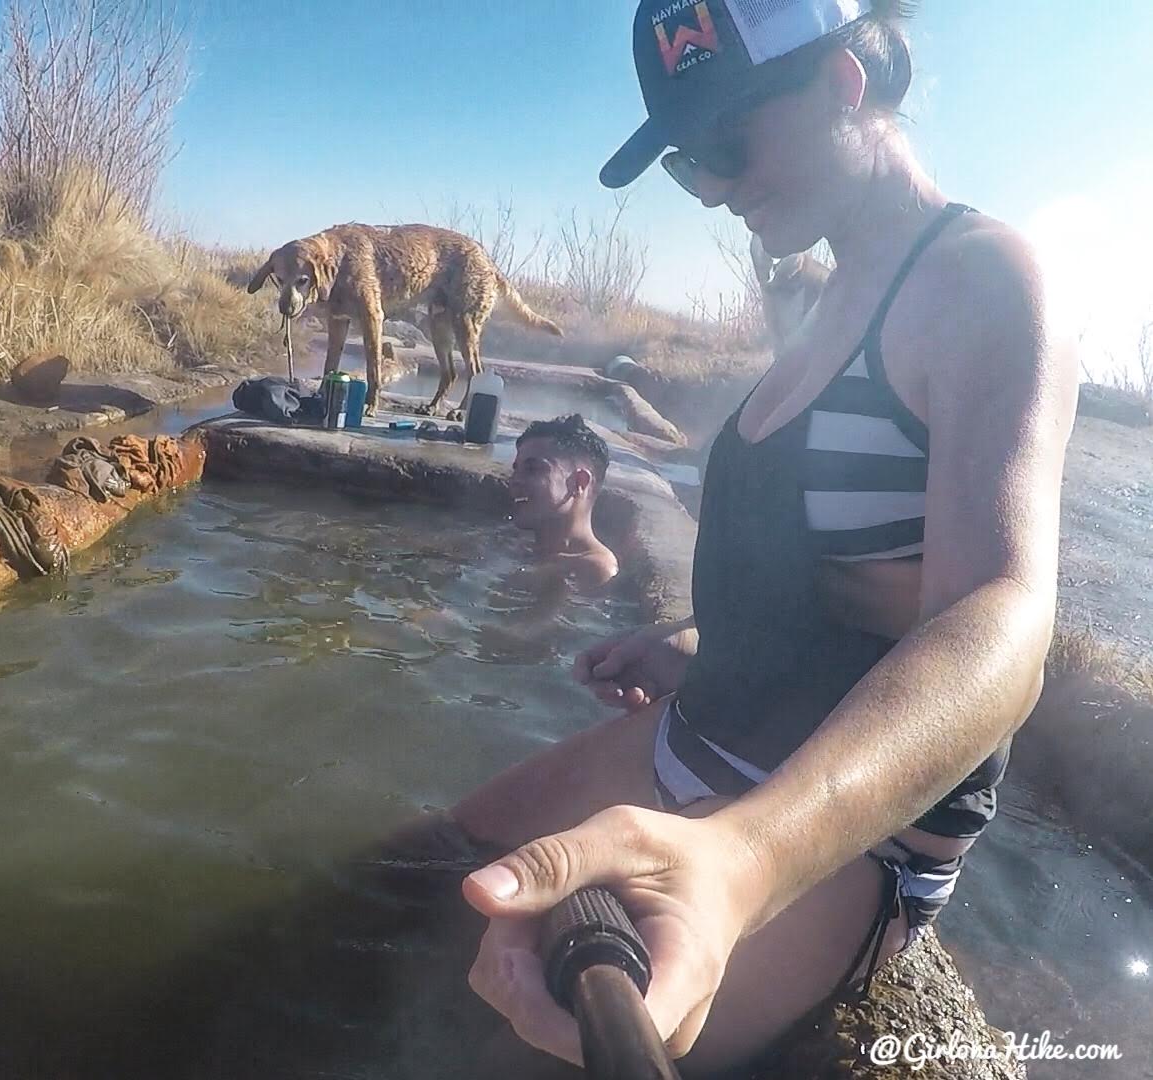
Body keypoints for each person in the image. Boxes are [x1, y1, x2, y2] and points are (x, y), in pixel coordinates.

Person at [446, 0, 1077, 1073]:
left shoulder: (978, 276)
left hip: (836, 836)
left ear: (844, 86)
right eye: (687, 163)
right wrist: (707, 641)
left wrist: (744, 859)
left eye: (727, 145)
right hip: (695, 730)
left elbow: (1002, 618)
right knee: (427, 867)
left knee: (510, 1047)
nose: (713, 188)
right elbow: (830, 566)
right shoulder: (824, 302)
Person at [508, 414, 620, 595]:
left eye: (533, 469)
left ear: (579, 482)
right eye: (516, 470)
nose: (515, 480)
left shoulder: (595, 569)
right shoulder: (523, 548)